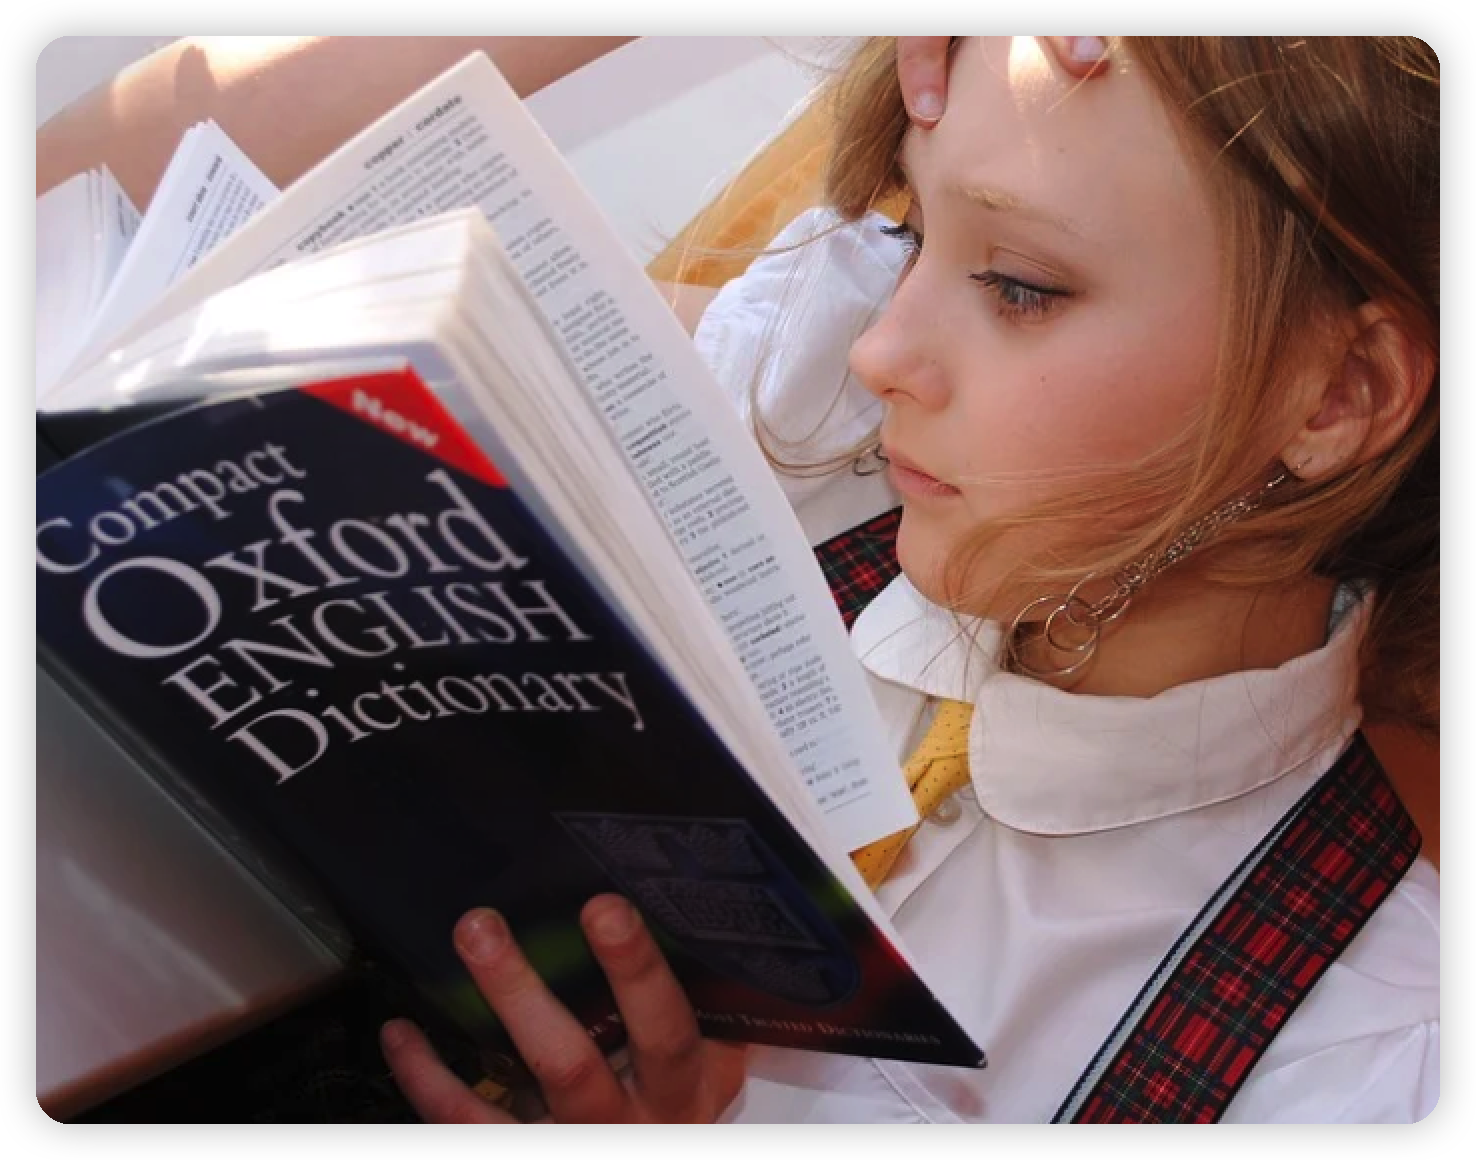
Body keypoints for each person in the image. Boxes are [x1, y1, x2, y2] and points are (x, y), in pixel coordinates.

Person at [39, 36, 1438, 1124]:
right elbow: (78, 210)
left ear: (1339, 393)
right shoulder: (788, 441)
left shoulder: (1361, 1055)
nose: (884, 349)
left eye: (1019, 285)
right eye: (911, 234)